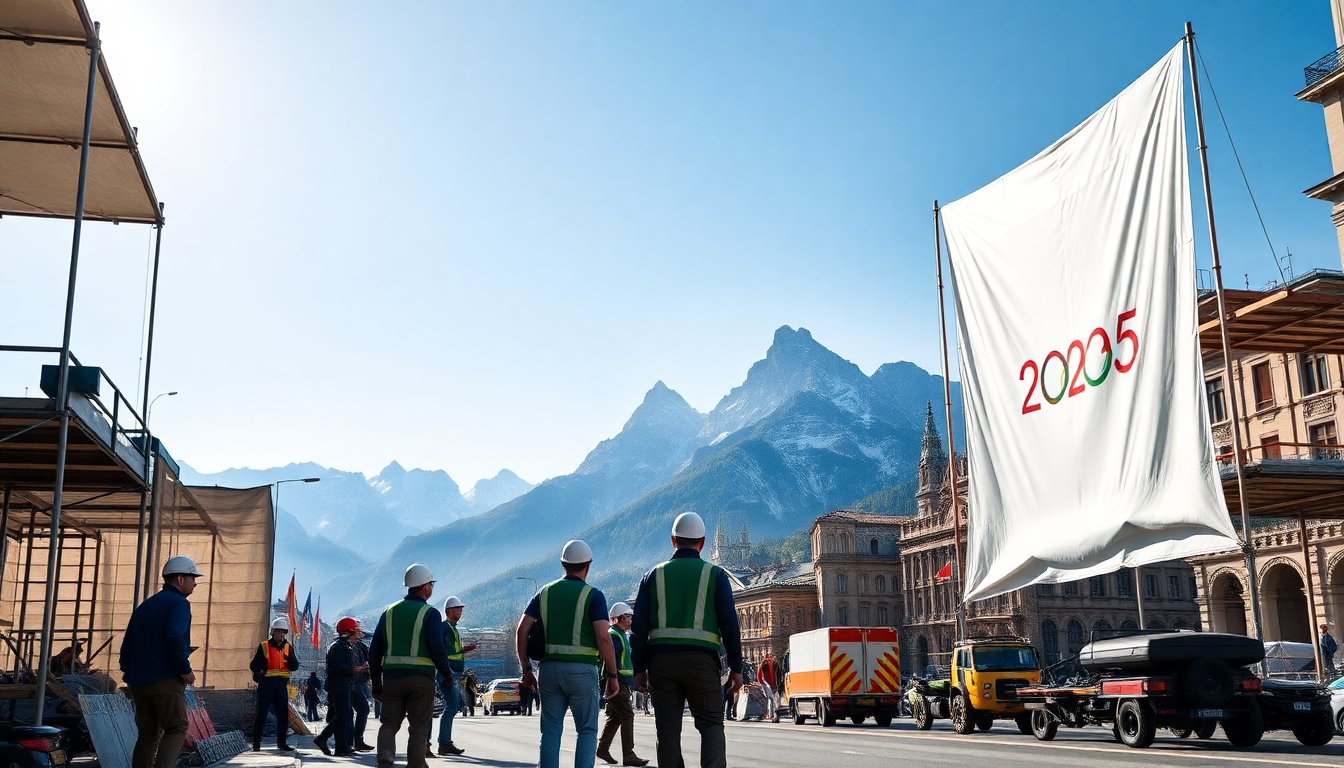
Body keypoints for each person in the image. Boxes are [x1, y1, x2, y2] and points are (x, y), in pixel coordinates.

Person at [631, 513, 743, 768]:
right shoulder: (715, 575)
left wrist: (639, 669)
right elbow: (730, 625)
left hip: (661, 664)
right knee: (711, 725)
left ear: (673, 540)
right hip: (702, 663)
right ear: (702, 543)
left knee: (668, 732)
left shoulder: (652, 576)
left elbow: (638, 629)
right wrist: (736, 668)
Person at [514, 540, 620, 768]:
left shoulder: (545, 592)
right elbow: (603, 638)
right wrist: (612, 675)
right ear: (588, 565)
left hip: (549, 671)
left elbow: (522, 630)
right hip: (582, 672)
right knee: (587, 730)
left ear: (563, 564)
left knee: (551, 731)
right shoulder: (593, 595)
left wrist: (526, 669)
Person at [369, 563, 456, 768]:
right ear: (425, 586)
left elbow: (374, 652)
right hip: (421, 679)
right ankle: (416, 764)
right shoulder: (430, 613)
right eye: (431, 584)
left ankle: (385, 762)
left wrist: (376, 683)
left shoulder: (388, 612)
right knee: (418, 727)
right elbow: (436, 649)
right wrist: (447, 674)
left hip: (391, 679)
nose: (432, 588)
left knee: (389, 724)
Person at [119, 555, 201, 768]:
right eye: (193, 578)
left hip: (138, 682)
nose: (195, 583)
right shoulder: (179, 604)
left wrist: (128, 672)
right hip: (165, 679)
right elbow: (174, 636)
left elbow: (127, 642)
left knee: (148, 733)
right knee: (177, 727)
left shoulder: (146, 606)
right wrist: (185, 670)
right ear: (181, 579)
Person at [596, 602, 648, 767]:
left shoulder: (620, 634)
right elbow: (612, 660)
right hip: (615, 681)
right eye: (628, 616)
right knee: (627, 714)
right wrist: (613, 681)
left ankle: (603, 749)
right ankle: (629, 754)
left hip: (619, 681)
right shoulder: (614, 635)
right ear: (619, 618)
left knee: (616, 716)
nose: (630, 619)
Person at [434, 596, 478, 756]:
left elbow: (451, 651)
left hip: (453, 673)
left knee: (456, 705)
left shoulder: (453, 628)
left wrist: (464, 650)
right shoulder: (444, 627)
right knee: (452, 706)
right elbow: (440, 651)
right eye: (458, 608)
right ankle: (444, 743)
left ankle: (444, 742)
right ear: (449, 611)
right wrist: (447, 672)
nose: (461, 611)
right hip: (448, 673)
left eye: (461, 608)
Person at [315, 618, 366, 756]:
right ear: (348, 632)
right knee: (342, 716)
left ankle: (338, 745)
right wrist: (353, 669)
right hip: (338, 686)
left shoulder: (348, 646)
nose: (359, 634)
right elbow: (336, 667)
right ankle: (330, 742)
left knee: (344, 715)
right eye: (356, 631)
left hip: (347, 685)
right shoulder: (337, 647)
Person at [249, 617, 300, 752]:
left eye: (283, 632)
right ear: (273, 632)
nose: (281, 634)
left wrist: (291, 658)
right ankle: (256, 744)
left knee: (283, 715)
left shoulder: (289, 648)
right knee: (261, 714)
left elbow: (294, 666)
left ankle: (282, 743)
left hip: (281, 686)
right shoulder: (264, 646)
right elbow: (254, 665)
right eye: (278, 632)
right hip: (266, 685)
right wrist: (257, 674)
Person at [351, 624, 375, 751]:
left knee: (362, 710)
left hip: (359, 683)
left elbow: (368, 661)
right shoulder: (342, 646)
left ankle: (356, 740)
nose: (359, 634)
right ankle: (352, 741)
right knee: (345, 714)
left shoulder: (362, 646)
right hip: (349, 683)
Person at [758, 651, 781, 723]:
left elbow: (779, 673)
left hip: (772, 683)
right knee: (772, 699)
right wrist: (761, 682)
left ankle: (772, 714)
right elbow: (760, 673)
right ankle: (772, 714)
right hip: (768, 683)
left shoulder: (774, 664)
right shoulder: (764, 664)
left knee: (773, 699)